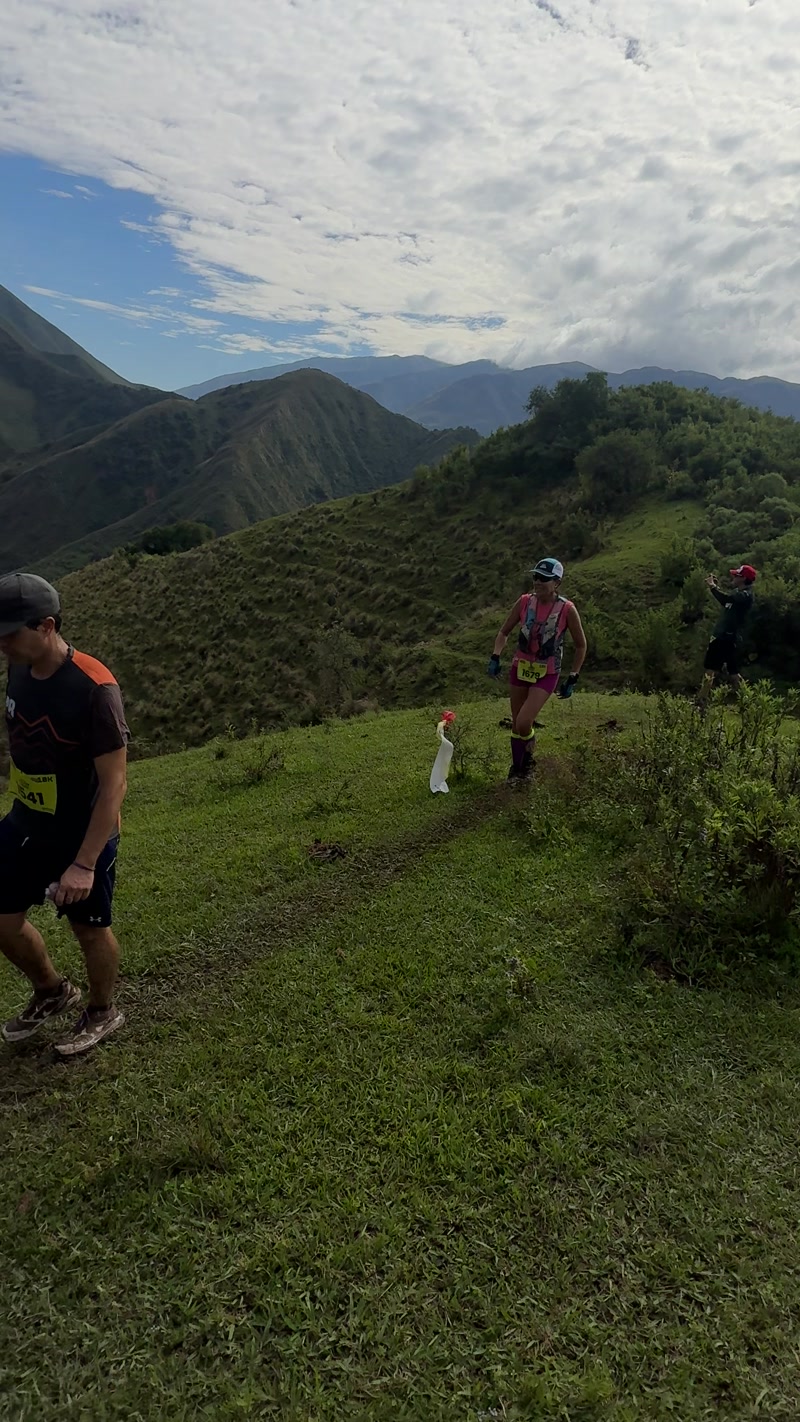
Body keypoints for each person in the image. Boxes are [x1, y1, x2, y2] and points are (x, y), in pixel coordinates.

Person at [0, 573, 129, 1056]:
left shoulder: (95, 688)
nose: (1, 644)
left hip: (82, 833)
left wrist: (84, 864)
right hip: (26, 822)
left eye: (9, 633)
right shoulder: (18, 667)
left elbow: (114, 785)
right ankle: (52, 991)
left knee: (88, 927)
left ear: (47, 626)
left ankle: (102, 1011)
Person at [488, 557, 587, 781]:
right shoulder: (524, 602)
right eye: (536, 577)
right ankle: (518, 769)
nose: (538, 582)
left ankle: (529, 759)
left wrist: (573, 676)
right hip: (520, 668)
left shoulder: (567, 609)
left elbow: (581, 645)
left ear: (557, 582)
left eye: (544, 578)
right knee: (516, 724)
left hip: (547, 672)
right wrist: (496, 655)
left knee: (524, 722)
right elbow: (504, 631)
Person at [701, 563, 756, 698]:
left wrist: (712, 586)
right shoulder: (738, 593)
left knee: (710, 668)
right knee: (733, 671)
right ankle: (748, 699)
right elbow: (725, 601)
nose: (733, 577)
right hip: (727, 636)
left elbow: (727, 599)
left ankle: (701, 700)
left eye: (736, 575)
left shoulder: (745, 595)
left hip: (725, 637)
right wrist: (715, 588)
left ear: (743, 578)